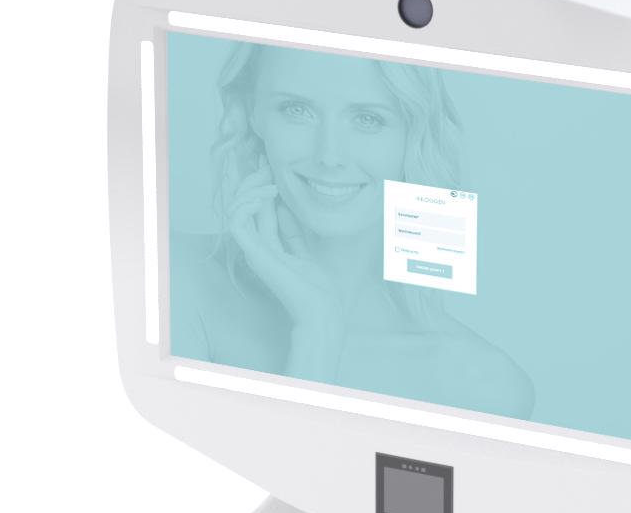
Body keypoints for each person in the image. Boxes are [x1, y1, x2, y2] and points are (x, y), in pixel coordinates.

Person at [171, 40, 534, 420]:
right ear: (251, 114)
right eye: (296, 110)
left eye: (367, 119)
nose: (329, 156)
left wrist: (319, 329)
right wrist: (318, 335)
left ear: (414, 135)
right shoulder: (173, 278)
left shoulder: (487, 386)